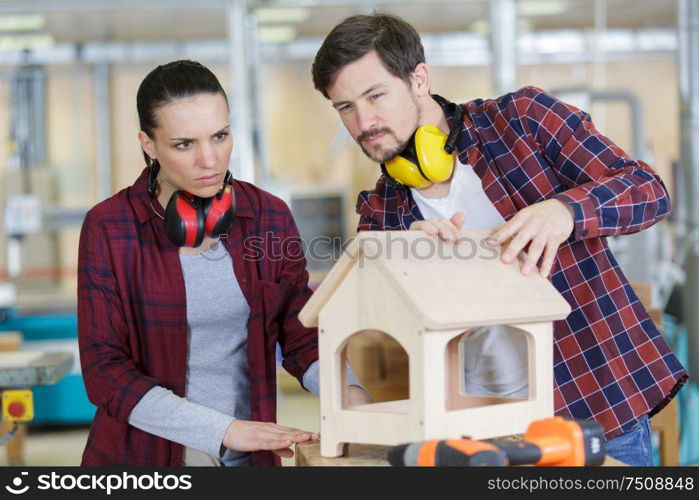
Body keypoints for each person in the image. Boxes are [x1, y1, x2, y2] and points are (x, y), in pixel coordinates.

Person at [311, 13, 688, 466]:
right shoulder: (380, 210)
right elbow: (376, 317)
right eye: (345, 107)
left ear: (419, 79)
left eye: (375, 96)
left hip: (593, 405)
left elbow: (648, 190)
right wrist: (404, 260)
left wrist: (566, 211)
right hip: (478, 425)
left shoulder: (523, 121)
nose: (364, 121)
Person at [77, 60, 369, 467]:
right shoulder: (110, 227)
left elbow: (300, 335)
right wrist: (226, 430)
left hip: (249, 455)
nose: (210, 160)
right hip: (145, 457)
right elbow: (104, 372)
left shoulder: (268, 216)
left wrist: (350, 394)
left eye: (220, 136)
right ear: (148, 145)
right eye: (184, 144)